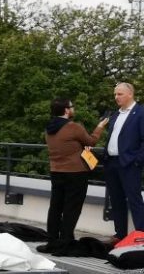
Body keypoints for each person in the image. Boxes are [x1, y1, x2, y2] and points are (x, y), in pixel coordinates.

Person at [40, 97, 107, 253]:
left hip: (56, 172)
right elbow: (91, 141)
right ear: (66, 110)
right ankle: (65, 242)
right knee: (72, 208)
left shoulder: (49, 128)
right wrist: (100, 126)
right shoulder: (73, 127)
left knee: (56, 207)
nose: (73, 108)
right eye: (72, 106)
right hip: (76, 174)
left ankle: (52, 240)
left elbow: (68, 145)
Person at [104, 82, 144, 243]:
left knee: (134, 200)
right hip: (112, 163)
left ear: (130, 94)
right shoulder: (115, 115)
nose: (116, 97)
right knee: (116, 200)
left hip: (129, 164)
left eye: (119, 94)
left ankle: (140, 235)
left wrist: (137, 161)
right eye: (115, 94)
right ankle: (120, 234)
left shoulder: (140, 113)